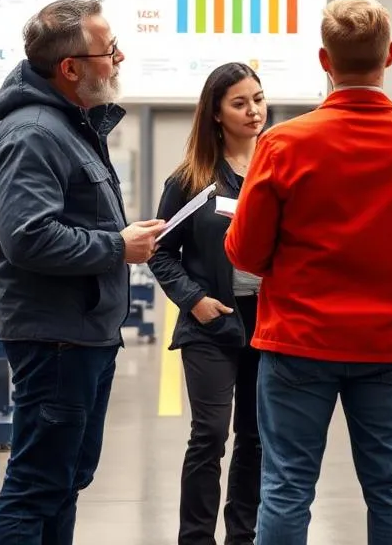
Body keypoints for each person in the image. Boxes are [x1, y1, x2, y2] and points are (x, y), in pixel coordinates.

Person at [223, 0, 392, 545]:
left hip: (297, 341)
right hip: (389, 343)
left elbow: (244, 251)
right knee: (389, 485)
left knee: (287, 486)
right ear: (391, 55)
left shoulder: (283, 144)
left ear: (324, 60)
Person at [0, 0, 167, 545]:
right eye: (109, 50)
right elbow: (28, 237)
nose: (119, 58)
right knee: (37, 485)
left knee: (64, 480)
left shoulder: (69, 127)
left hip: (82, 333)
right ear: (69, 67)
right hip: (57, 338)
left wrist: (119, 240)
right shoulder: (34, 134)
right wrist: (117, 246)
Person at [152, 62, 268, 545]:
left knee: (257, 437)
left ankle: (243, 535)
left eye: (258, 99)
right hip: (211, 323)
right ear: (216, 113)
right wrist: (194, 300)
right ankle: (196, 538)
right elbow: (159, 250)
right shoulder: (191, 180)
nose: (253, 111)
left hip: (268, 323)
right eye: (239, 103)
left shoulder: (276, 170)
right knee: (210, 435)